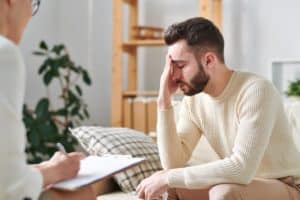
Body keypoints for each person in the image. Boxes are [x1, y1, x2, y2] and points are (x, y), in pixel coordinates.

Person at [136, 17, 300, 200]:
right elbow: (173, 164)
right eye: (171, 67)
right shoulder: (194, 100)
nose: (173, 76)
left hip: (286, 185)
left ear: (209, 60)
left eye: (180, 66)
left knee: (223, 192)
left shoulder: (256, 91)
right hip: (241, 184)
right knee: (166, 188)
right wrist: (163, 101)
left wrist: (169, 177)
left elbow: (240, 168)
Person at [0, 0, 96, 199]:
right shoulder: (5, 53)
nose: (30, 14)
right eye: (32, 3)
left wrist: (42, 168)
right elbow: (9, 186)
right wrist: (56, 170)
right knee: (80, 194)